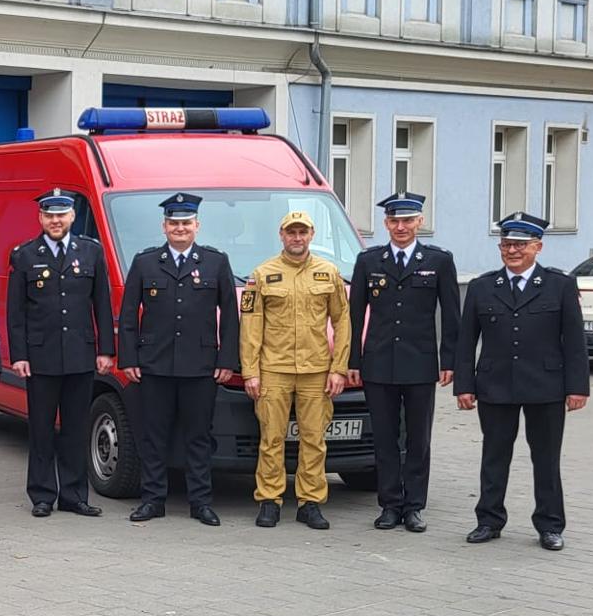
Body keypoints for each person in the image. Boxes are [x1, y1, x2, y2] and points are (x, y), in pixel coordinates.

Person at [456, 212, 589, 551]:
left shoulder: (559, 285)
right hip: (495, 385)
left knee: (546, 459)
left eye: (520, 245)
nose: (512, 251)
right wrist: (464, 385)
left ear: (537, 247)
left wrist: (577, 387)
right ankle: (489, 520)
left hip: (545, 385)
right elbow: (466, 341)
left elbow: (574, 341)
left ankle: (550, 525)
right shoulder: (483, 286)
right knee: (494, 456)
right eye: (506, 245)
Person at [118, 193, 239, 527]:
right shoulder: (145, 262)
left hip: (200, 366)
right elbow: (128, 316)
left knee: (198, 437)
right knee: (153, 436)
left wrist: (227, 360)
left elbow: (230, 317)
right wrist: (129, 358)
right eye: (174, 223)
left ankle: (200, 502)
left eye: (186, 223)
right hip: (154, 366)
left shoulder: (215, 262)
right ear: (164, 226)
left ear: (197, 225)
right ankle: (152, 499)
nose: (180, 228)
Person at [345, 192, 458, 534]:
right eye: (395, 221)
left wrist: (449, 360)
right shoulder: (369, 261)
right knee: (384, 438)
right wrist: (353, 361)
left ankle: (414, 506)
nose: (401, 227)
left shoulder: (439, 261)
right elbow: (354, 316)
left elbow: (451, 315)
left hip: (420, 364)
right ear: (386, 224)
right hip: (379, 364)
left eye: (408, 220)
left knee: (418, 439)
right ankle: (390, 505)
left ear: (420, 222)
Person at [5, 188, 113, 518]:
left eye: (61, 215)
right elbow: (15, 312)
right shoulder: (25, 255)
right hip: (41, 358)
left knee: (75, 429)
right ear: (41, 218)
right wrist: (19, 355)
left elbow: (102, 305)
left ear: (72, 216)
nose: (55, 221)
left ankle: (74, 495)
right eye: (49, 215)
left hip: (80, 355)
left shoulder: (91, 252)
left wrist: (106, 350)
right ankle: (42, 495)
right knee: (40, 429)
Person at [240, 211, 350, 530]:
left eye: (302, 232)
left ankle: (310, 502)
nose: (297, 238)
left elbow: (342, 321)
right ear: (282, 235)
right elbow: (251, 326)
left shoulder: (328, 273)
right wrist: (250, 371)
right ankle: (269, 500)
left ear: (312, 234)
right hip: (273, 368)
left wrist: (339, 368)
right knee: (271, 438)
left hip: (316, 369)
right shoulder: (262, 274)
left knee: (314, 439)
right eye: (291, 232)